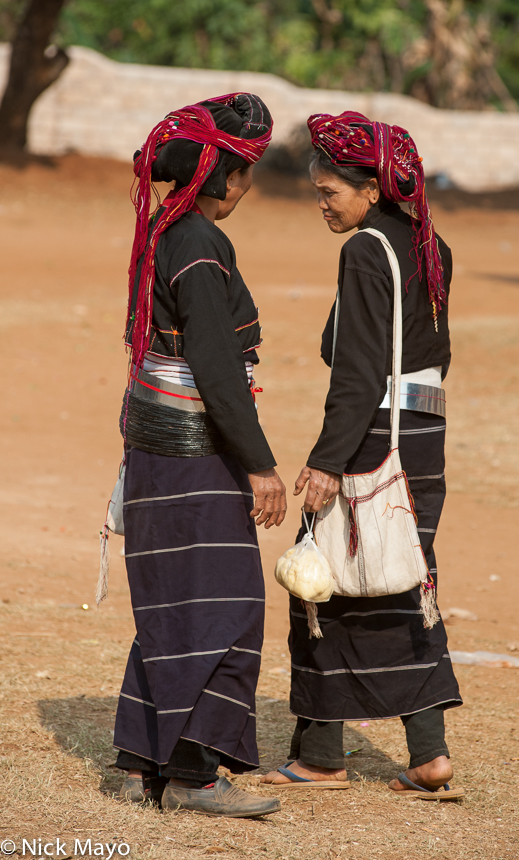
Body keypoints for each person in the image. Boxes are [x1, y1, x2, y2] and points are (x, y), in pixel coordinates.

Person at [262, 111, 463, 799]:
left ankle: (320, 756)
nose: (322, 204)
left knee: (320, 580)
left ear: (372, 189)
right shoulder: (428, 244)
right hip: (424, 436)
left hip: (373, 435)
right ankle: (429, 755)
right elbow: (423, 355)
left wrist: (326, 460)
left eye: (330, 193)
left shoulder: (363, 251)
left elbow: (354, 371)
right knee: (404, 579)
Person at [112, 94, 286, 818]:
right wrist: (261, 464)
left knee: (172, 601)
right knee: (228, 605)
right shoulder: (201, 244)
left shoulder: (163, 231)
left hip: (152, 446)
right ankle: (192, 776)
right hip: (194, 453)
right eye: (242, 172)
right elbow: (215, 367)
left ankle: (136, 764)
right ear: (215, 174)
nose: (246, 188)